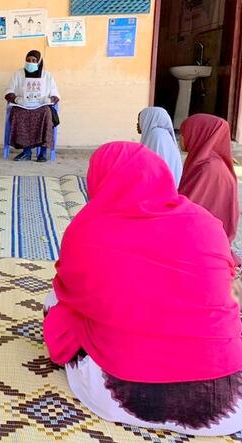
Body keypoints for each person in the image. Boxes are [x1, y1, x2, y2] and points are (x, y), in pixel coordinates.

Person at [43, 142, 242, 436]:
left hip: (119, 396)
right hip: (228, 405)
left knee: (56, 298)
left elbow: (69, 290)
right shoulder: (206, 224)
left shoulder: (87, 230)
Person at [179, 114, 238, 244]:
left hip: (203, 238)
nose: (180, 138)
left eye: (184, 132)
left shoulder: (209, 168)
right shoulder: (203, 161)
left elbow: (191, 204)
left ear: (199, 134)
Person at [5, 50, 60, 162]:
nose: (30, 63)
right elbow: (8, 91)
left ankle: (43, 153)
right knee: (17, 113)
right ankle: (26, 152)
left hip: (41, 106)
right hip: (23, 105)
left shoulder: (47, 75)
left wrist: (49, 99)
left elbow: (55, 94)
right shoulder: (18, 74)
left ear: (39, 62)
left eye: (34, 61)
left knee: (47, 113)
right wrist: (16, 99)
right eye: (28, 60)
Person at [138, 107, 183, 187]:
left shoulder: (156, 135)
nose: (137, 124)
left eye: (140, 120)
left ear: (149, 119)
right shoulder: (164, 135)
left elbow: (153, 168)